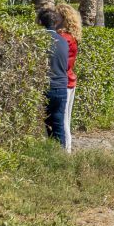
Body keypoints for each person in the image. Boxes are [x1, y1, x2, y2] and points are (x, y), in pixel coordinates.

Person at [37, 8, 70, 147]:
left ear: (39, 22)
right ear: (56, 23)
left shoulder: (38, 40)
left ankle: (50, 154)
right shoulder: (63, 41)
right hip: (61, 87)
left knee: (45, 126)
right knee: (58, 125)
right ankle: (60, 156)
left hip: (46, 87)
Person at [56, 3, 81, 153]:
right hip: (70, 79)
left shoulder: (63, 38)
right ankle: (67, 149)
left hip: (63, 81)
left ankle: (66, 151)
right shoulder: (72, 37)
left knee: (63, 120)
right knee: (66, 119)